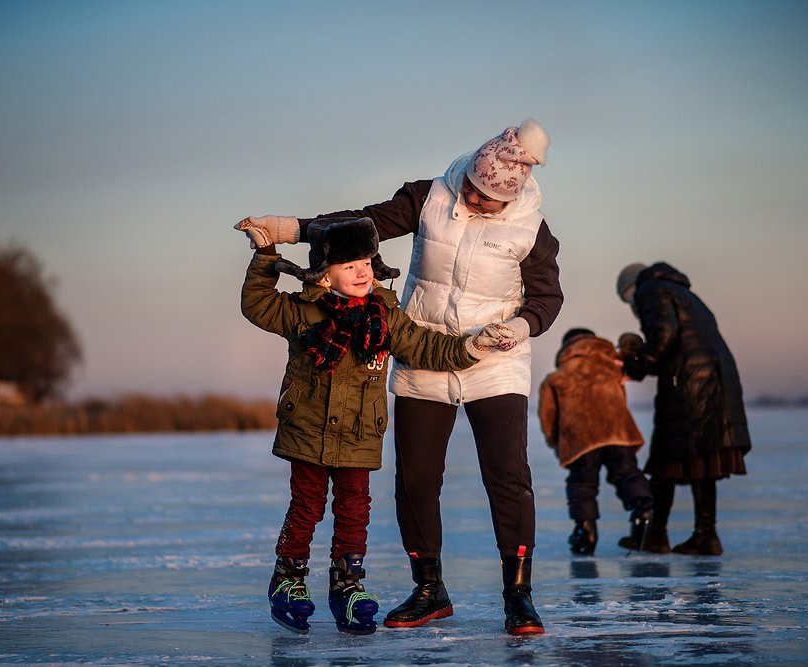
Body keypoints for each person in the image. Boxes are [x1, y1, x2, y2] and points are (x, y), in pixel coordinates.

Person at [237, 118, 562, 635]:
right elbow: (361, 224)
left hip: (495, 360)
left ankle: (518, 596)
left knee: (507, 476)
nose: (475, 202)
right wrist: (291, 229)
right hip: (418, 344)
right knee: (415, 478)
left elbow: (547, 299)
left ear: (513, 195)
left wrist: (519, 326)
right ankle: (429, 589)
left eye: (488, 199)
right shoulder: (429, 197)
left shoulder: (532, 230)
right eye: (473, 191)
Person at [239, 216, 504, 635]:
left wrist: (472, 346)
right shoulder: (302, 312)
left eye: (366, 261)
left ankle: (348, 585)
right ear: (324, 277)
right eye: (348, 266)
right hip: (306, 431)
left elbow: (425, 346)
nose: (362, 271)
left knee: (354, 511)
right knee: (306, 507)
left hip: (360, 434)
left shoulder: (385, 316)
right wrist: (265, 253)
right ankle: (287, 579)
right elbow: (257, 304)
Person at [615, 262, 751, 555]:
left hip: (691, 385)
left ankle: (658, 535)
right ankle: (704, 536)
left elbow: (664, 335)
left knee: (666, 458)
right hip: (711, 381)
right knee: (700, 460)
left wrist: (634, 366)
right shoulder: (679, 292)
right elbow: (678, 343)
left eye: (628, 299)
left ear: (632, 288)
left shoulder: (651, 290)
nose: (632, 306)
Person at [537, 328, 652, 555]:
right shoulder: (612, 364)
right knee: (627, 473)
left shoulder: (557, 377)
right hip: (617, 432)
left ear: (567, 347)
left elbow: (547, 416)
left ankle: (586, 530)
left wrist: (556, 442)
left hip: (582, 439)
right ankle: (642, 508)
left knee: (583, 484)